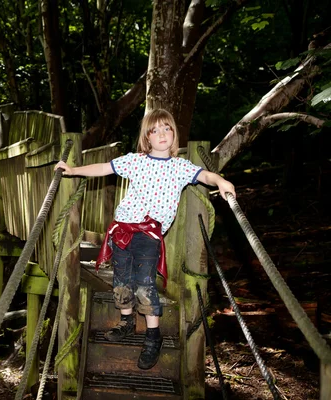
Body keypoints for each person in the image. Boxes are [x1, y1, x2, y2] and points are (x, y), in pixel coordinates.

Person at [54, 108, 235, 370]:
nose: (162, 134)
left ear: (174, 134)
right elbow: (105, 168)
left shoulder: (180, 167)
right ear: (146, 137)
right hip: (121, 229)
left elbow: (204, 175)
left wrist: (220, 180)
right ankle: (126, 321)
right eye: (155, 130)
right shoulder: (135, 161)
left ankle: (153, 337)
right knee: (120, 280)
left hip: (149, 234)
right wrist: (72, 171)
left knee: (144, 283)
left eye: (167, 128)